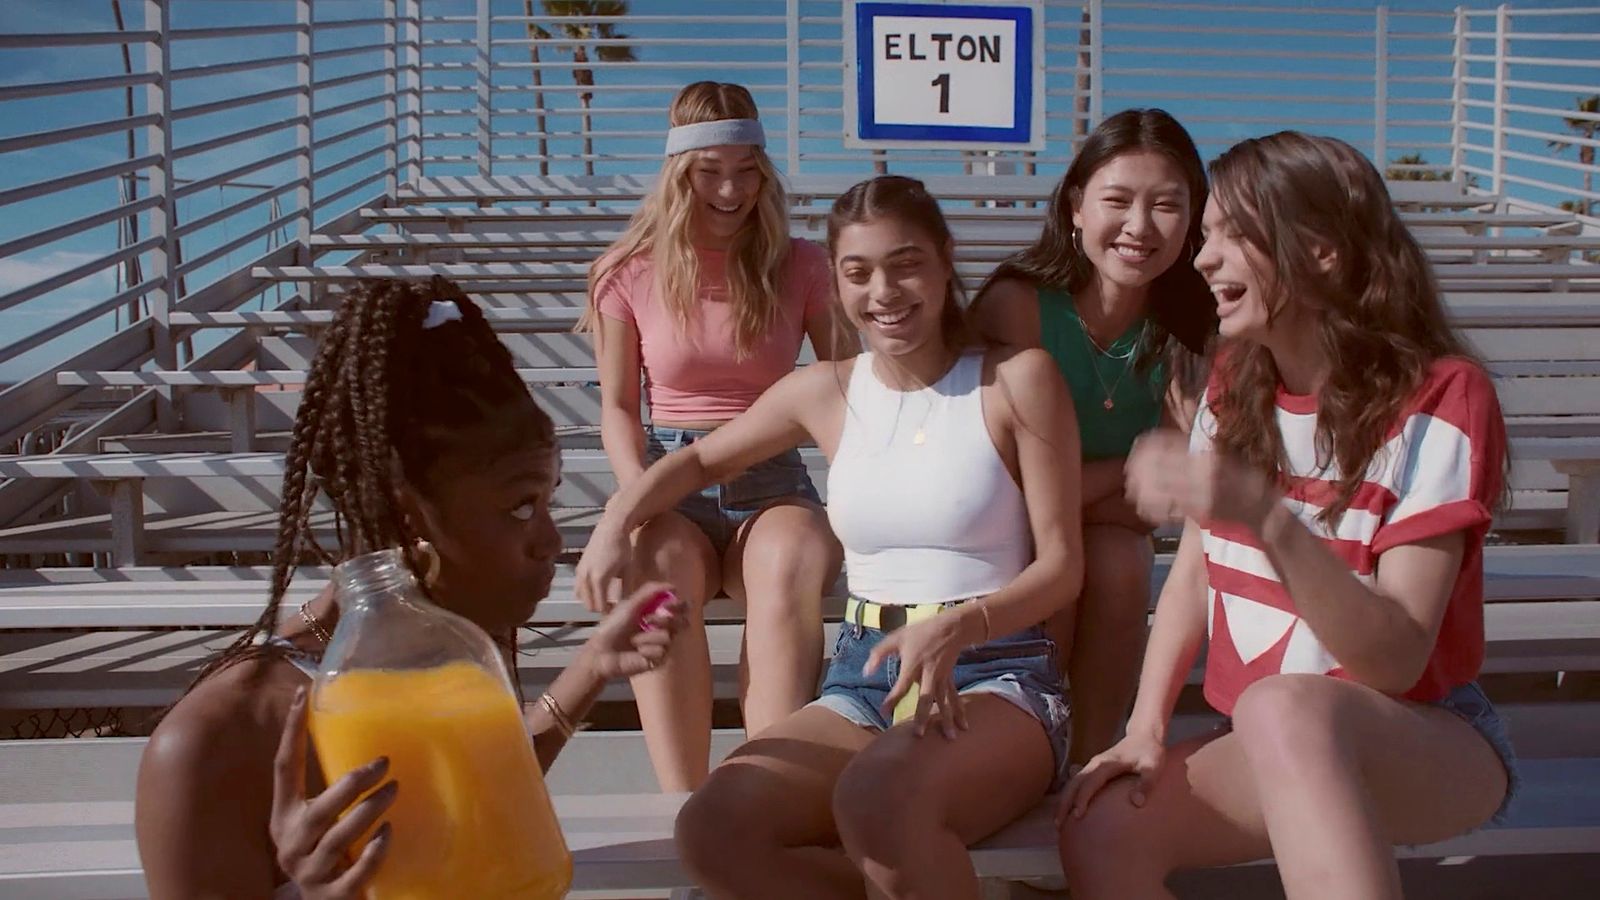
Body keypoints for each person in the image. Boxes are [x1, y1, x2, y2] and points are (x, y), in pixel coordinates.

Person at [575, 174, 1082, 898]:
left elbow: (1063, 566)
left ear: (944, 262)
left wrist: (960, 629)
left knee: (880, 802)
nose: (885, 291)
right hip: (864, 675)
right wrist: (617, 520)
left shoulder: (1015, 379)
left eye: (905, 263)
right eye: (858, 272)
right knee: (712, 830)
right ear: (838, 284)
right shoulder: (827, 390)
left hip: (996, 673)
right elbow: (695, 461)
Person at [1057, 133, 1519, 900]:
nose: (1203, 259)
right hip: (1276, 733)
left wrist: (1269, 521)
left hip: (1427, 735)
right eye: (1206, 237)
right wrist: (1144, 726)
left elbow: (1397, 660)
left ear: (1321, 251)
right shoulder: (1235, 379)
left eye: (1232, 234)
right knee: (1101, 827)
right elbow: (1194, 575)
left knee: (1283, 707)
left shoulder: (1442, 395)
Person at [135, 279, 685, 899]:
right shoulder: (215, 738)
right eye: (520, 506)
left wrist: (590, 668)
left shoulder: (451, 641)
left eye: (548, 500)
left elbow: (472, 803)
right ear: (409, 515)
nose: (554, 542)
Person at [583, 80, 849, 791]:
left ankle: (766, 804)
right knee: (657, 578)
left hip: (772, 479)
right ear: (678, 172)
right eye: (710, 171)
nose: (731, 190)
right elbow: (616, 406)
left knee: (791, 562)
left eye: (746, 169)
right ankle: (686, 812)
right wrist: (632, 502)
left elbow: (848, 384)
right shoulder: (626, 272)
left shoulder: (801, 265)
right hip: (669, 478)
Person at [972, 108, 1215, 766]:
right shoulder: (1016, 307)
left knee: (1115, 560)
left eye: (1167, 205)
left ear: (1193, 219)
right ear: (1076, 206)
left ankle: (1087, 765)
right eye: (1118, 200)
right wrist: (1128, 469)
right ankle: (1030, 763)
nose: (1140, 227)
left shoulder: (1193, 329)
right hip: (1002, 537)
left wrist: (1088, 490)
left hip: (1105, 538)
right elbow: (1000, 490)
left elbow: (1169, 497)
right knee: (1066, 559)